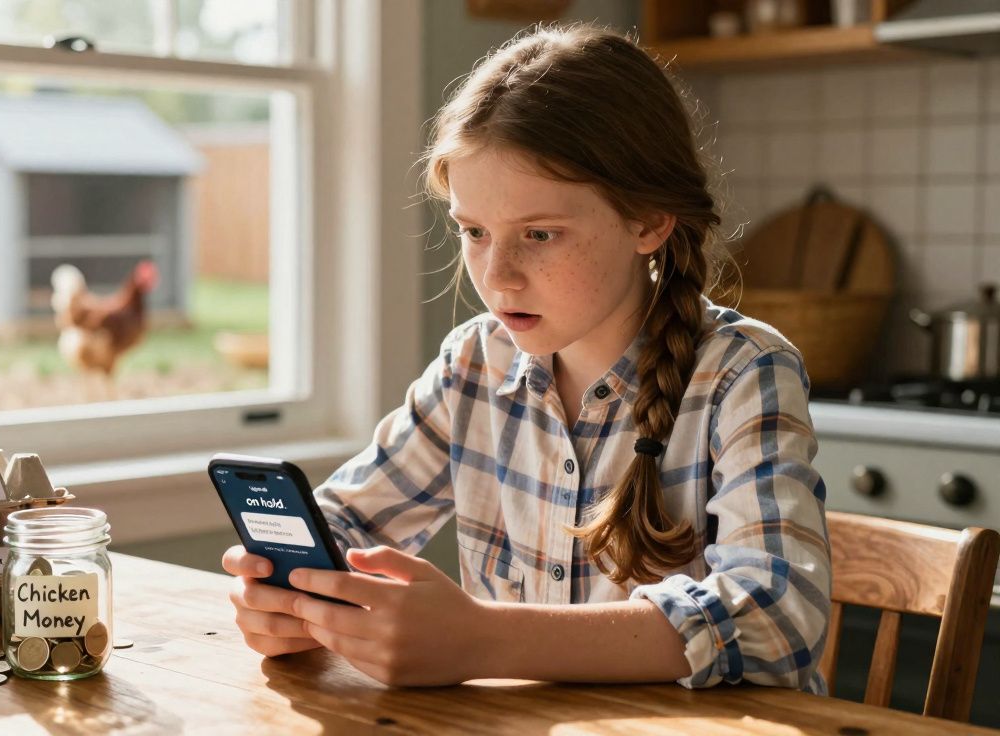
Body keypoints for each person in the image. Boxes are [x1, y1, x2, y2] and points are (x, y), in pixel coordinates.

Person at [222, 22, 830, 693]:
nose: (499, 275)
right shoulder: (473, 366)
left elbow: (777, 616)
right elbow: (342, 522)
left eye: (540, 234)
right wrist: (287, 592)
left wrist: (483, 639)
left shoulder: (743, 374)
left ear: (650, 221)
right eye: (474, 232)